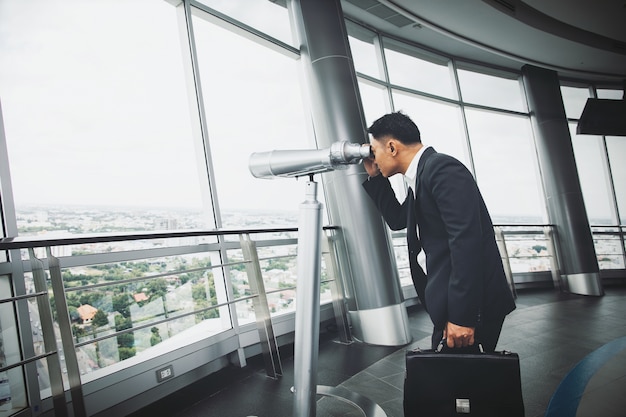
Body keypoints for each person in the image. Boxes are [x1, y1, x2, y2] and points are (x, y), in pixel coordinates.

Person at [361, 111, 516, 352]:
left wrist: (463, 317)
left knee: (463, 383)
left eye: (375, 150)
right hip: (452, 300)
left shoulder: (442, 169)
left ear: (392, 147)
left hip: (472, 307)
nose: (374, 158)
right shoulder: (421, 176)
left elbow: (466, 244)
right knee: (456, 382)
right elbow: (398, 220)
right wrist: (375, 178)